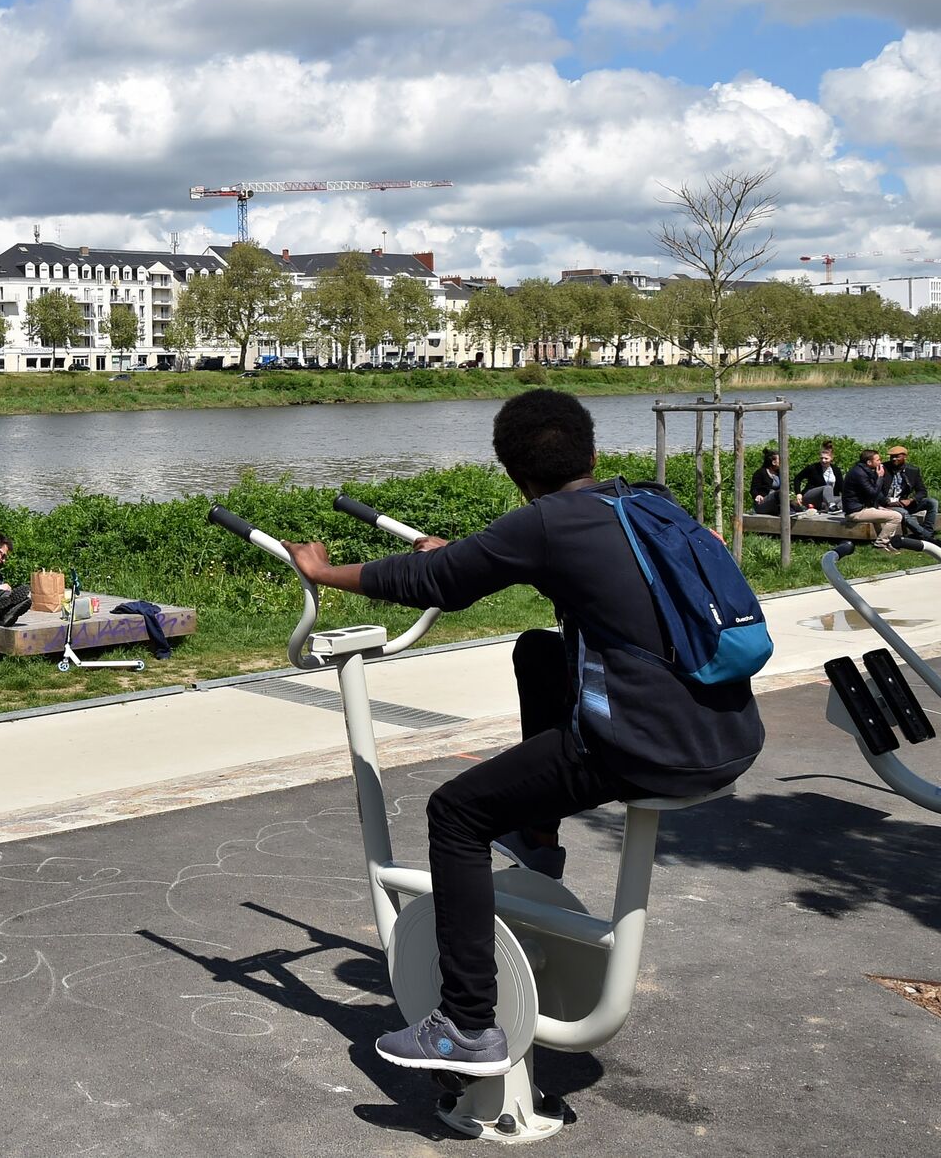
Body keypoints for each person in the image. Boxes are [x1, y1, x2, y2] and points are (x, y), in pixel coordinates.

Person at [282, 390, 764, 1077]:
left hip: (647, 747)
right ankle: (538, 837)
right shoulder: (645, 503)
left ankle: (468, 1024)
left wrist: (323, 570)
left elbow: (438, 580)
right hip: (728, 733)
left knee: (456, 810)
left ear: (515, 476)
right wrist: (470, 553)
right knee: (539, 651)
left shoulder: (546, 523)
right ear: (594, 455)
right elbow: (545, 569)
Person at [841, 448, 905, 554]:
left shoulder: (865, 471)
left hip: (864, 507)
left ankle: (887, 543)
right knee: (896, 517)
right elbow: (873, 493)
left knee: (893, 513)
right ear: (869, 462)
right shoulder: (859, 474)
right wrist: (880, 477)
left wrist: (882, 505)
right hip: (856, 512)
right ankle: (881, 544)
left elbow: (874, 494)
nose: (880, 462)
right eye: (878, 460)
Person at [883, 444, 941, 547]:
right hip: (888, 504)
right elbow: (876, 492)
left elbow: (922, 491)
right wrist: (887, 502)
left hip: (903, 502)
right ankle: (929, 538)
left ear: (905, 457)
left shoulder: (912, 471)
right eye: (892, 457)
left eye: (897, 456)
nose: (894, 459)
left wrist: (911, 500)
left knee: (932, 502)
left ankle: (927, 532)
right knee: (904, 513)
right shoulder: (883, 469)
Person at [793, 441, 842, 514]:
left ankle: (830, 508)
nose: (823, 461)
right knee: (827, 487)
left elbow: (842, 486)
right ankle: (831, 506)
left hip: (824, 500)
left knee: (845, 499)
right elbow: (797, 478)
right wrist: (798, 493)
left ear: (831, 459)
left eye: (826, 458)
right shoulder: (813, 468)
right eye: (821, 458)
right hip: (810, 496)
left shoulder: (836, 470)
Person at [747, 446, 783, 514]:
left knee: (792, 502)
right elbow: (753, 489)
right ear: (773, 462)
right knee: (780, 493)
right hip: (763, 503)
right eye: (780, 460)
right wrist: (757, 495)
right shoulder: (760, 472)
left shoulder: (780, 473)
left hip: (775, 502)